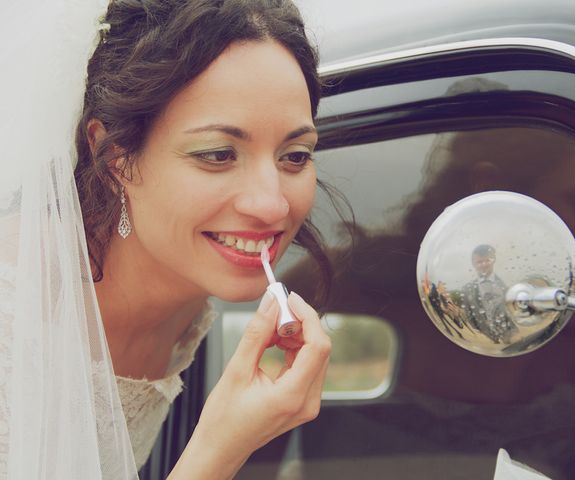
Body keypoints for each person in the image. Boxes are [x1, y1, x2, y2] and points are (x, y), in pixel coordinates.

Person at [0, 0, 331, 478]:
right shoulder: (14, 320)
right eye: (219, 154)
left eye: (296, 156)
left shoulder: (186, 301)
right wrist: (220, 448)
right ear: (113, 156)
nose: (273, 204)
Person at [461, 244, 518, 344]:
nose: (484, 264)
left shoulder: (506, 284)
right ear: (473, 264)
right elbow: (469, 313)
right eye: (479, 262)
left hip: (509, 333)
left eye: (487, 260)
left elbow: (512, 307)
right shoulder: (467, 289)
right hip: (486, 338)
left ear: (493, 260)